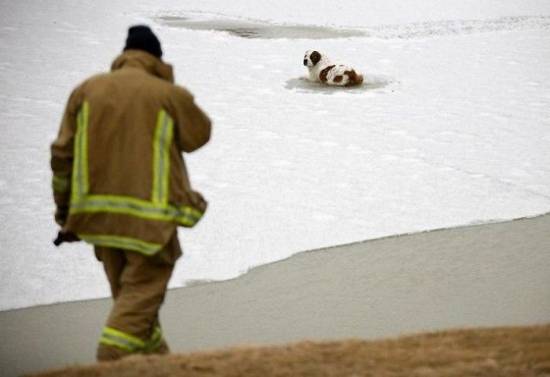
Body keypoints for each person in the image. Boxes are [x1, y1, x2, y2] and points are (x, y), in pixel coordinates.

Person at [50, 25, 212, 361]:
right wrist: (168, 91)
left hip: (99, 221)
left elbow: (61, 156)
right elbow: (199, 135)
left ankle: (158, 364)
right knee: (138, 300)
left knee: (132, 304)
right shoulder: (166, 94)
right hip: (149, 224)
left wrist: (66, 214)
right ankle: (109, 360)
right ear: (155, 58)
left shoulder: (86, 90)